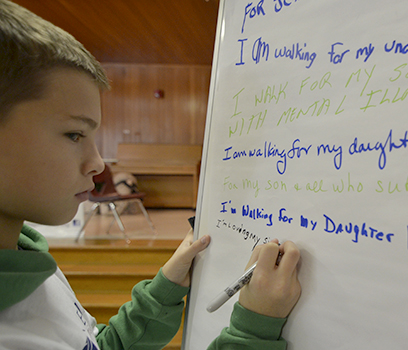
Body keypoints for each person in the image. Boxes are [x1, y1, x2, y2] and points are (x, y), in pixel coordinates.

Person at [0, 1, 301, 349]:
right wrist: (253, 329)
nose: (98, 163)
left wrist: (163, 292)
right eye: (74, 135)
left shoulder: (26, 262)